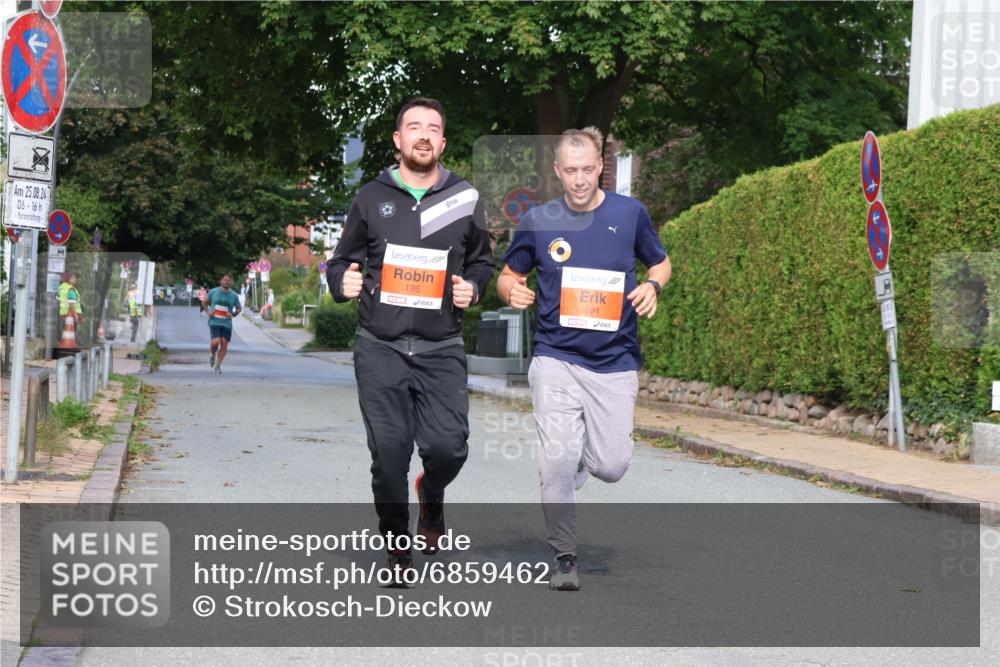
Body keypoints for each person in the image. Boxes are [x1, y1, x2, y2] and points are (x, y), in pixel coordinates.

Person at [326, 97, 493, 587]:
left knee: (448, 449)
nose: (424, 135)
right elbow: (340, 261)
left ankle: (432, 491)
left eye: (433, 128)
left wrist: (474, 286)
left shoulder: (465, 198)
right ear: (398, 140)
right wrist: (342, 284)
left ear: (443, 142)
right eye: (413, 127)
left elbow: (482, 261)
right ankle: (398, 547)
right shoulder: (370, 197)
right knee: (390, 455)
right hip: (381, 344)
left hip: (441, 347)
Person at [497, 127, 672, 591]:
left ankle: (581, 465)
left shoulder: (629, 213)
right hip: (556, 357)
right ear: (558, 171)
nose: (578, 179)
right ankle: (565, 558)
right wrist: (511, 290)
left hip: (614, 361)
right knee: (554, 460)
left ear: (600, 167)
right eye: (569, 170)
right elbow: (508, 274)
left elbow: (660, 262)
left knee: (610, 467)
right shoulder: (539, 220)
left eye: (587, 169)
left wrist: (652, 286)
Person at [201, 274, 242, 373]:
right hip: (215, 321)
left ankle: (218, 366)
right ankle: (212, 353)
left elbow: (239, 309)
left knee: (224, 344)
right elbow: (204, 302)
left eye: (228, 280)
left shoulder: (233, 295)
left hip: (226, 323)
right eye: (225, 280)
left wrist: (232, 314)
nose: (226, 282)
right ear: (221, 281)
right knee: (216, 341)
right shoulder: (214, 292)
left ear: (231, 282)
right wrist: (208, 312)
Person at [57, 272, 84, 347]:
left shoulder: (61, 287)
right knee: (71, 330)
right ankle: (70, 343)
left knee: (63, 330)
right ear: (68, 279)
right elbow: (71, 302)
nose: (75, 279)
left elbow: (57, 300)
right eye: (73, 278)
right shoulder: (71, 289)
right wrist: (75, 314)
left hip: (63, 312)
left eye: (75, 278)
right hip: (71, 313)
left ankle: (62, 342)